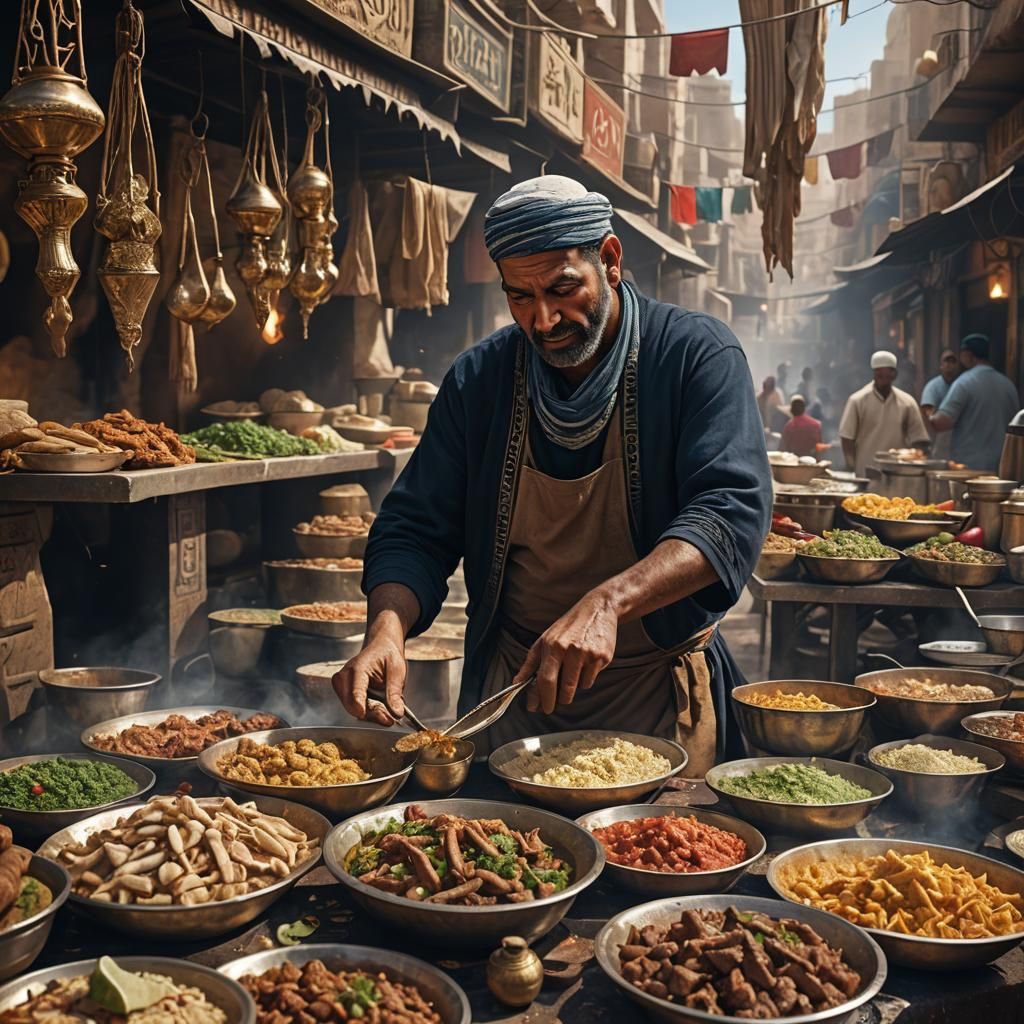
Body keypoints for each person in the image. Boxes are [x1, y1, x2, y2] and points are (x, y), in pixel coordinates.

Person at [333, 175, 772, 775]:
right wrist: (387, 629)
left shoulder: (695, 356)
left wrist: (610, 602)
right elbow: (415, 528)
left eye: (564, 290)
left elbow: (730, 511)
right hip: (514, 700)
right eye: (519, 297)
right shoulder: (479, 381)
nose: (543, 321)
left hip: (656, 701)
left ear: (610, 260)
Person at [930, 333, 1020, 471]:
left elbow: (941, 423)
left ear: (967, 355)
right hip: (1002, 467)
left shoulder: (964, 383)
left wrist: (928, 414)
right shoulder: (1009, 385)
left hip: (969, 469)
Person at [838, 351, 931, 476]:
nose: (884, 378)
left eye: (888, 374)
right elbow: (847, 438)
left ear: (895, 375)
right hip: (866, 472)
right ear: (874, 374)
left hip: (898, 474)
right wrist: (852, 468)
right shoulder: (857, 401)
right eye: (880, 374)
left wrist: (918, 463)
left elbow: (919, 439)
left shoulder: (907, 402)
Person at [920, 348, 959, 460]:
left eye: (953, 361)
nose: (949, 365)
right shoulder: (932, 387)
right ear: (941, 365)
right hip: (938, 440)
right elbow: (928, 417)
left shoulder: (962, 385)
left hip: (958, 442)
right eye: (946, 361)